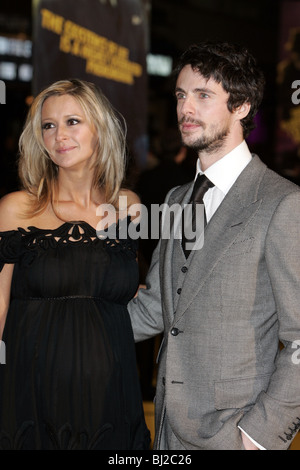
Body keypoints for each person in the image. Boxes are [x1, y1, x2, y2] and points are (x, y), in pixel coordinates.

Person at [128, 41, 300, 450]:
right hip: (168, 429)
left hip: (235, 432)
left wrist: (258, 437)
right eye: (181, 95)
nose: (186, 109)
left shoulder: (283, 202)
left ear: (240, 106)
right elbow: (157, 307)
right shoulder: (174, 199)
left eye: (204, 96)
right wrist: (69, 324)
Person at [0, 79, 150, 450]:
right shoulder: (16, 208)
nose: (58, 136)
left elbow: (124, 293)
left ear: (100, 128)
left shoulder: (129, 206)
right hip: (29, 394)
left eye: (72, 122)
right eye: (47, 126)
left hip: (111, 395)